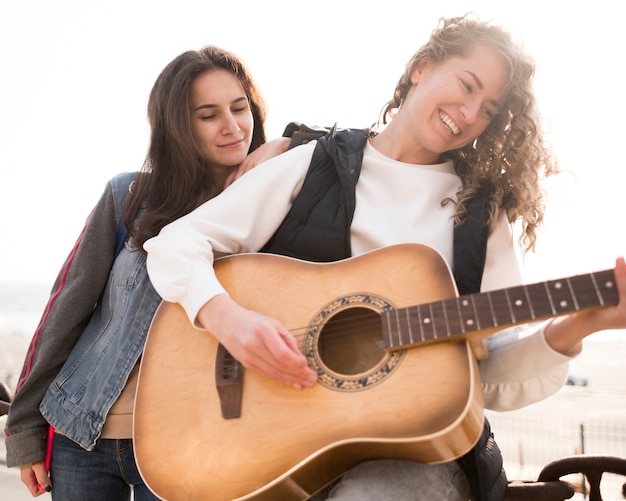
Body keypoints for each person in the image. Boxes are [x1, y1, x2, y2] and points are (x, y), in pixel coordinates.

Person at [143, 14, 626, 501]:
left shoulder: (479, 216)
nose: (470, 111)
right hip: (275, 439)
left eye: (488, 108)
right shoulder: (314, 164)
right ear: (422, 67)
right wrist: (227, 318)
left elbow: (491, 374)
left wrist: (576, 327)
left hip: (408, 458)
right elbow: (174, 244)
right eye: (466, 84)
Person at [4, 45, 295, 500]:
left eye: (240, 108)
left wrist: (292, 139)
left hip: (188, 442)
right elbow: (66, 311)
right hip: (84, 434)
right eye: (208, 114)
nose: (232, 126)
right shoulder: (128, 196)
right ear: (179, 127)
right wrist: (24, 433)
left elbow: (359, 148)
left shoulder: (276, 205)